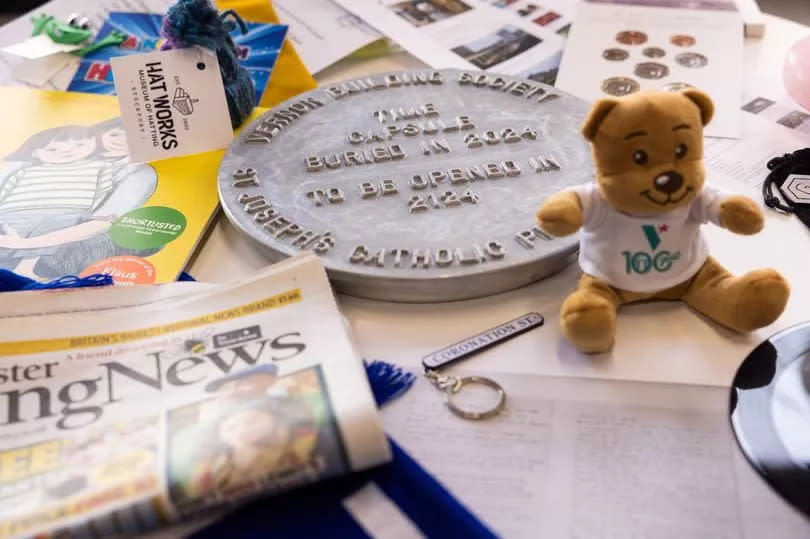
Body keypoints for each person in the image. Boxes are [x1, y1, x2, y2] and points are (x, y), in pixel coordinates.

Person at [0, 119, 158, 279]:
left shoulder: (136, 172)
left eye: (134, 137)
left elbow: (102, 220)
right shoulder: (51, 154)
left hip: (71, 224)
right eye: (114, 133)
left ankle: (27, 266)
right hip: (18, 213)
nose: (121, 140)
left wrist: (25, 244)